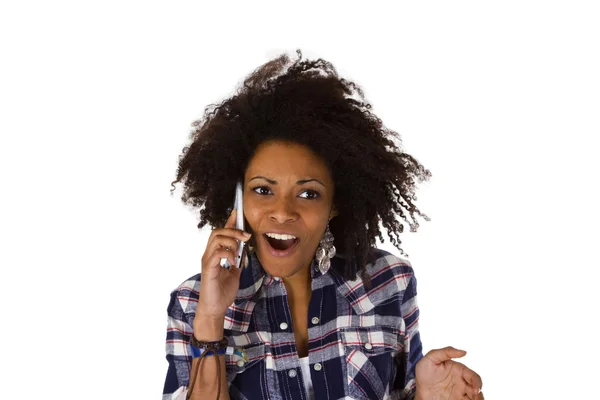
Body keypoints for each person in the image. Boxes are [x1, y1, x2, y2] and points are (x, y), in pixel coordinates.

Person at [164, 50, 484, 400]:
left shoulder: (388, 281)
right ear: (239, 201)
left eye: (308, 194)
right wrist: (211, 318)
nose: (282, 212)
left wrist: (427, 395)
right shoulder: (193, 303)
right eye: (262, 190)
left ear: (335, 204)